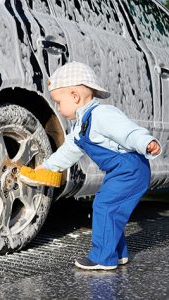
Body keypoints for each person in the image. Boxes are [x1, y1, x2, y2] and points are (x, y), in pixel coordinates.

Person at [37, 61, 162, 270]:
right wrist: (48, 166)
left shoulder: (102, 115)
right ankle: (118, 254)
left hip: (131, 169)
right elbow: (69, 151)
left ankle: (103, 258)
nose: (58, 107)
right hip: (121, 171)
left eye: (59, 102)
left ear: (75, 96)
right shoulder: (81, 125)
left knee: (105, 206)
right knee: (111, 210)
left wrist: (145, 142)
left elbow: (127, 131)